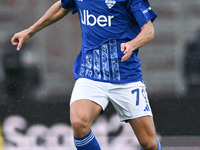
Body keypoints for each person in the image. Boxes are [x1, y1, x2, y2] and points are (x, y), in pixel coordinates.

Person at [11, 0, 161, 149]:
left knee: (149, 144)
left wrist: (132, 44)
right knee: (79, 122)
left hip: (125, 77)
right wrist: (29, 31)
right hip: (91, 73)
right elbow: (62, 6)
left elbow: (149, 31)